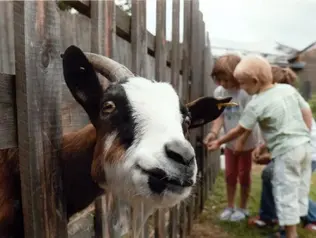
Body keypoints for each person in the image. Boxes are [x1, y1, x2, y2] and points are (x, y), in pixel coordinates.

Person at [207, 55, 313, 238]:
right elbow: (306, 111)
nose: (243, 89)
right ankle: (290, 228)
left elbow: (239, 130)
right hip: (304, 147)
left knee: (284, 192)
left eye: (243, 84)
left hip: (286, 153)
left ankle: (290, 234)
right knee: (298, 189)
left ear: (255, 81)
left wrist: (219, 141)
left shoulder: (256, 103)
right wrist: (305, 133)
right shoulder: (286, 90)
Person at [248, 66, 316, 232]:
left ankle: (306, 219)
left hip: (308, 151)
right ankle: (269, 216)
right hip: (295, 150)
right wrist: (263, 148)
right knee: (271, 176)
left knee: (287, 185)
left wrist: (270, 153)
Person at [203, 54, 261, 222]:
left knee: (243, 174)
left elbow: (248, 122)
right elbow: (220, 116)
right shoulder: (220, 92)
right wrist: (213, 133)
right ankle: (230, 206)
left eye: (227, 80)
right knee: (230, 174)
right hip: (229, 142)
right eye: (219, 79)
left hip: (247, 142)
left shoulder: (245, 93)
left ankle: (242, 208)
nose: (223, 84)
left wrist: (241, 142)